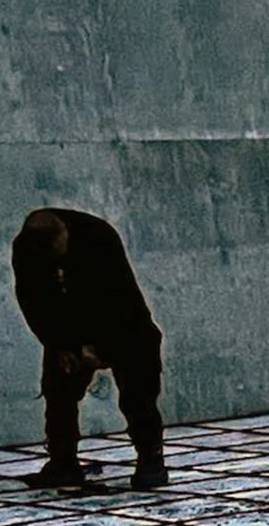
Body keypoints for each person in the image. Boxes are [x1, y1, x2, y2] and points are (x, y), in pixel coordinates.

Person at [9, 206, 168, 491]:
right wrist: (62, 345)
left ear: (64, 233)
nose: (56, 258)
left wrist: (98, 347)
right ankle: (63, 463)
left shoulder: (97, 237)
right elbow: (33, 301)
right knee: (58, 393)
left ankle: (151, 459)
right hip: (67, 328)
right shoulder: (27, 250)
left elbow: (118, 298)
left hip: (125, 326)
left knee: (139, 394)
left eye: (58, 250)